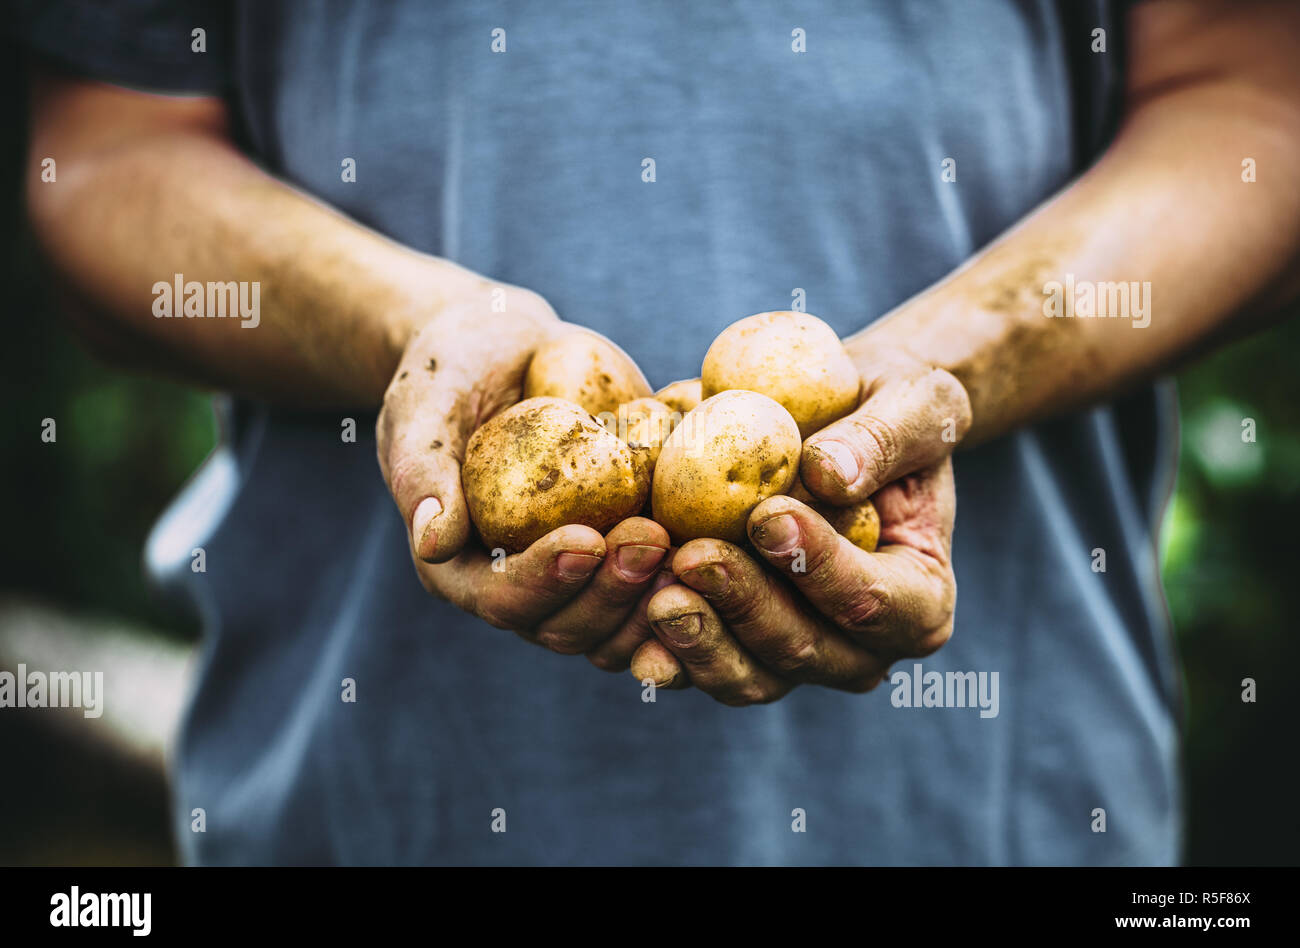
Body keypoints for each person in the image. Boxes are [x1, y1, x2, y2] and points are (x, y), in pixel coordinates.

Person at [19, 0, 1300, 864]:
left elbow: (1256, 108)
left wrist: (943, 370)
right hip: (374, 809)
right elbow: (109, 155)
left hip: (1001, 807)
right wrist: (411, 330)